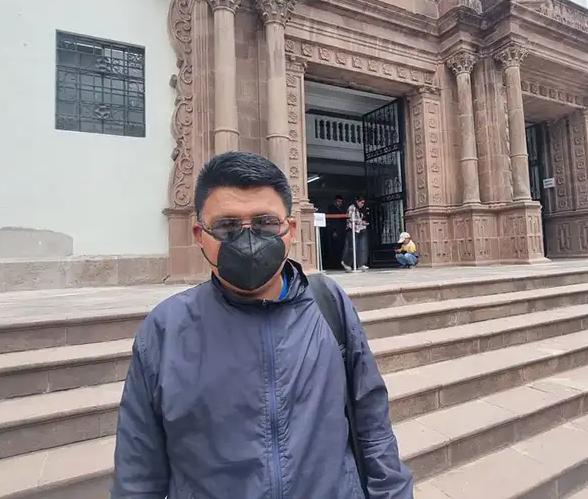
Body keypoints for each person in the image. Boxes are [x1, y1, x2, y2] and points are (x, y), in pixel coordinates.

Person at [112, 151, 413, 499]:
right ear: (199, 234)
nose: (248, 240)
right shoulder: (165, 330)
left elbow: (372, 423)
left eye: (265, 223)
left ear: (291, 230)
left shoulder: (329, 306)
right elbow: (137, 472)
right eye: (227, 227)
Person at [341, 195, 369, 272]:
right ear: (357, 201)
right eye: (361, 202)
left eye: (363, 203)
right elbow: (351, 218)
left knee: (360, 248)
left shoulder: (360, 209)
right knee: (352, 248)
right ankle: (346, 262)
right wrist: (361, 222)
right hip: (352, 230)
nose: (362, 204)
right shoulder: (352, 208)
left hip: (360, 230)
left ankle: (360, 264)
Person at [327, 194, 348, 264]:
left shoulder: (342, 208)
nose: (340, 203)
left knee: (342, 246)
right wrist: (334, 231)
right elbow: (332, 221)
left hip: (342, 230)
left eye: (341, 202)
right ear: (335, 201)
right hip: (335, 230)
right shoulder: (332, 208)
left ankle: (340, 261)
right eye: (339, 201)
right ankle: (335, 262)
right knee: (336, 247)